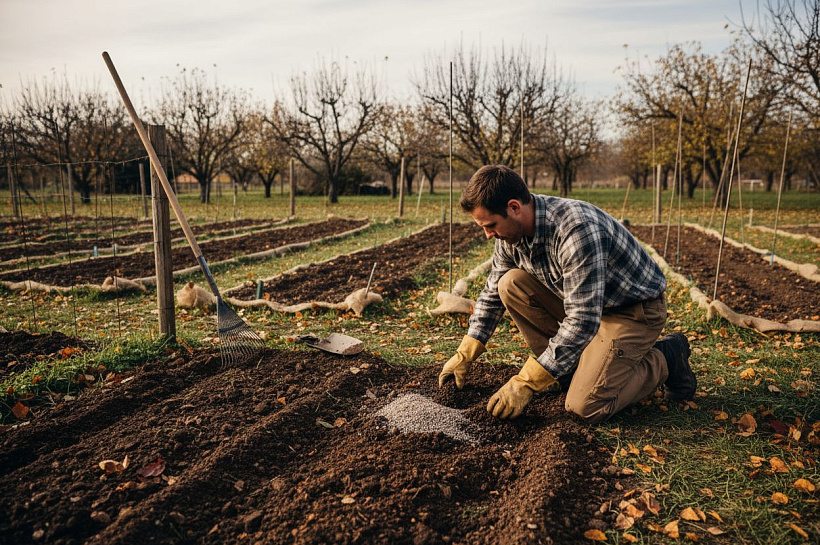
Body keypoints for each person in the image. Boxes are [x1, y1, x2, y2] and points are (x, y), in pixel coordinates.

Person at [438, 165, 696, 424]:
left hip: (631, 312)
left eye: (491, 225)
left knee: (584, 407)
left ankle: (666, 356)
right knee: (510, 283)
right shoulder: (510, 238)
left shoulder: (575, 230)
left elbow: (582, 320)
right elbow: (493, 291)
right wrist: (466, 351)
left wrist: (526, 381)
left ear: (514, 207)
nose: (488, 235)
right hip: (585, 305)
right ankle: (565, 371)